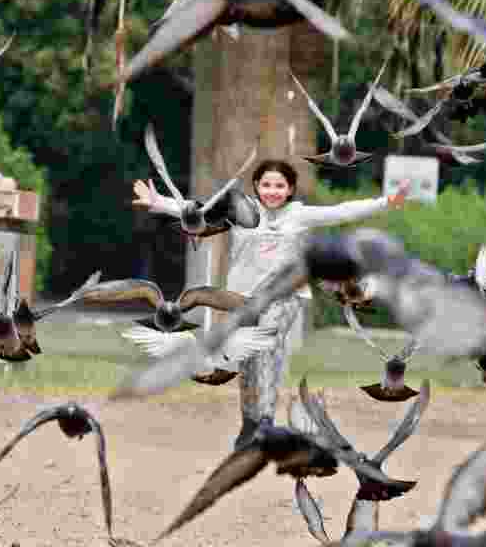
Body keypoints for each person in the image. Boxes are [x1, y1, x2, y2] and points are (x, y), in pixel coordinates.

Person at [132, 158, 410, 447]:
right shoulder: (242, 212)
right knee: (248, 361)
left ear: (290, 189)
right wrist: (159, 202)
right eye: (266, 185)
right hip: (244, 299)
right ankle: (251, 423)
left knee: (265, 346)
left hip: (285, 296)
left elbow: (340, 212)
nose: (273, 191)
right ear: (256, 187)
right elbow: (196, 212)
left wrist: (386, 201)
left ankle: (264, 420)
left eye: (280, 185)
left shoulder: (299, 214)